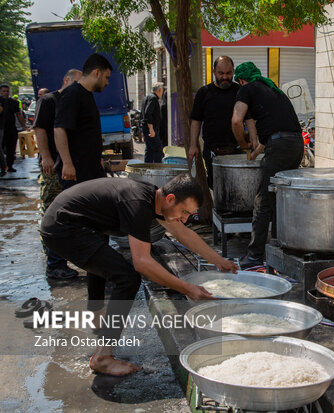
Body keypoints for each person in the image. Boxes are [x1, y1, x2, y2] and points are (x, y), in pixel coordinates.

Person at [40, 174, 238, 376]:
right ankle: (103, 358)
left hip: (79, 224)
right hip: (63, 228)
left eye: (190, 215)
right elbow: (142, 262)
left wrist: (219, 261)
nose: (185, 219)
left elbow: (183, 233)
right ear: (170, 199)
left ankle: (96, 317)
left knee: (105, 261)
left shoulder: (155, 199)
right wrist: (187, 288)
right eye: (184, 212)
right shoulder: (138, 203)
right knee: (127, 278)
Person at [231, 62, 304, 269]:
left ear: (241, 80)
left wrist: (243, 144)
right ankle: (281, 248)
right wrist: (254, 153)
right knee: (280, 196)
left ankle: (254, 257)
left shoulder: (246, 89)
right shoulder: (273, 89)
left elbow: (237, 121)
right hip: (296, 145)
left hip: (280, 146)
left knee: (262, 201)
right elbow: (269, 133)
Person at [33, 68, 82, 280]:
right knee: (55, 215)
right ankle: (55, 263)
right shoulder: (50, 100)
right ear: (66, 80)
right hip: (53, 167)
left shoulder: (75, 102)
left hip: (70, 169)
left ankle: (61, 257)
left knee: (68, 215)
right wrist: (46, 157)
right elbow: (40, 130)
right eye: (76, 83)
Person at [188, 56, 254, 188]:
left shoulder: (240, 91)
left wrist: (253, 140)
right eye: (221, 73)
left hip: (237, 150)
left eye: (228, 73)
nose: (225, 77)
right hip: (212, 150)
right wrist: (193, 145)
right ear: (214, 72)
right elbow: (196, 120)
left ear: (233, 72)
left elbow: (249, 119)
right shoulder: (204, 93)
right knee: (216, 187)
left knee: (238, 187)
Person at [54, 53, 112, 190]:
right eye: (106, 77)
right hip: (76, 172)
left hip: (90, 169)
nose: (107, 82)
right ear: (96, 73)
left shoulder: (87, 95)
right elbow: (59, 129)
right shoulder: (72, 94)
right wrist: (67, 163)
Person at [0, 84, 28, 173]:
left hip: (11, 129)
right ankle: (3, 167)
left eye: (7, 91)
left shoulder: (14, 102)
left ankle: (10, 166)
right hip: (1, 128)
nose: (6, 93)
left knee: (11, 149)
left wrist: (23, 125)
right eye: (4, 91)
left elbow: (19, 114)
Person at [140, 82, 164, 163]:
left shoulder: (147, 97)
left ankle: (148, 168)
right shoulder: (153, 98)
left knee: (149, 149)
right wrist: (151, 129)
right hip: (150, 128)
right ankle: (157, 168)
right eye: (162, 90)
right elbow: (147, 113)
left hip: (146, 128)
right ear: (159, 90)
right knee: (158, 148)